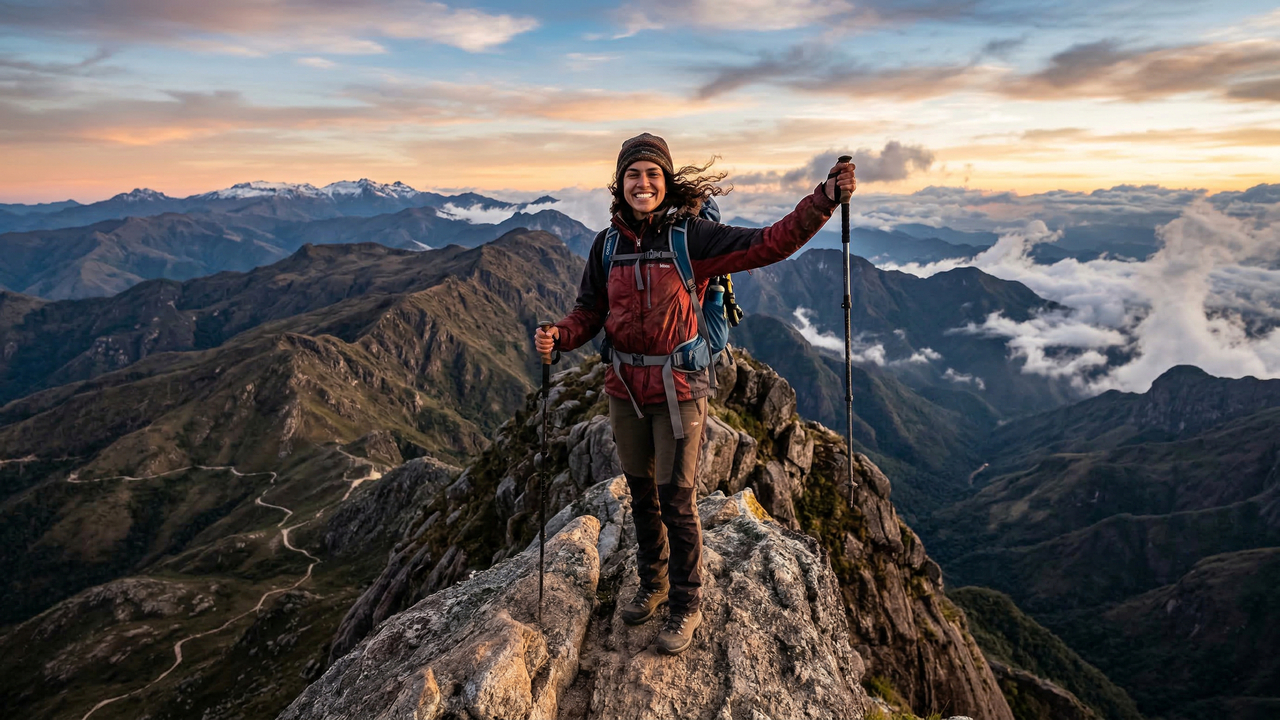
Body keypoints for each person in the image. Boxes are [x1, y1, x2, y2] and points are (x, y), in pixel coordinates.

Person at [535, 133, 855, 655]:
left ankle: (686, 602)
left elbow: (770, 242)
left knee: (676, 498)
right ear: (620, 183)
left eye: (651, 175)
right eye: (633, 175)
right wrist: (561, 335)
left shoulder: (693, 237)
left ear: (666, 182)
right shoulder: (607, 245)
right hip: (625, 389)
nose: (642, 184)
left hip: (680, 388)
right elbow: (590, 311)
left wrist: (824, 198)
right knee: (640, 493)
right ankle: (653, 582)